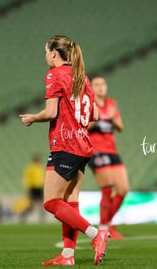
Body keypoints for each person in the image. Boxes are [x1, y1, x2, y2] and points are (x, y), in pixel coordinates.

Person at [20, 35, 108, 266]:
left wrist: (32, 117)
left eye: (45, 51)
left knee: (50, 202)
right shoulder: (82, 77)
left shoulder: (54, 75)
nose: (45, 56)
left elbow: (50, 112)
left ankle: (94, 234)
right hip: (83, 146)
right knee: (70, 201)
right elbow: (95, 116)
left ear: (54, 53)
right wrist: (78, 129)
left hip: (65, 146)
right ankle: (67, 257)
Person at [87, 76, 129, 239]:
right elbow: (85, 126)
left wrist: (110, 117)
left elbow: (120, 127)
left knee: (123, 189)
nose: (100, 87)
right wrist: (102, 117)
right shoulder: (90, 104)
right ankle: (104, 228)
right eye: (96, 85)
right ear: (91, 88)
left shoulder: (112, 104)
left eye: (103, 84)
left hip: (112, 151)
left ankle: (108, 223)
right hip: (96, 151)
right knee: (107, 188)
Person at [22, 154, 45, 222]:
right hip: (32, 187)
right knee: (30, 205)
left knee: (42, 204)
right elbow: (27, 179)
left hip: (39, 188)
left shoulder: (40, 167)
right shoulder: (30, 168)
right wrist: (28, 189)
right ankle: (23, 216)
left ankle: (42, 219)